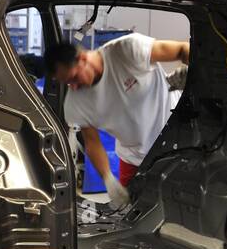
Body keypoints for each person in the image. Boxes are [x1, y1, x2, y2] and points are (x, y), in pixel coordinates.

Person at [45, 33, 190, 210]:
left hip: (178, 143)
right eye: (67, 83)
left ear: (83, 58)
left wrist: (195, 74)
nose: (73, 87)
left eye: (74, 78)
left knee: (183, 208)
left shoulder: (127, 50)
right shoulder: (75, 103)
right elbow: (92, 142)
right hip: (134, 159)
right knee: (134, 216)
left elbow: (182, 49)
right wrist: (108, 179)